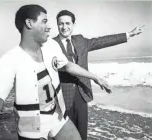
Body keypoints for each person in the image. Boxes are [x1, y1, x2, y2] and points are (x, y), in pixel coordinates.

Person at [0, 5, 111, 140]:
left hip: (59, 118)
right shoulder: (10, 60)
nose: (49, 27)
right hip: (31, 129)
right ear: (29, 23)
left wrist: (95, 77)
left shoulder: (51, 46)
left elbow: (68, 66)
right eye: (44, 21)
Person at [53, 10, 144, 140]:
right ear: (57, 25)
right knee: (64, 136)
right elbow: (67, 67)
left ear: (73, 24)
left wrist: (128, 34)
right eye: (60, 24)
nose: (64, 27)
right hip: (62, 95)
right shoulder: (51, 44)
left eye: (67, 23)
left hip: (82, 94)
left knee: (81, 134)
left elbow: (102, 41)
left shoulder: (80, 40)